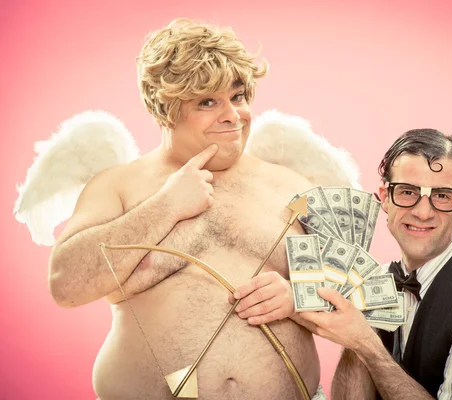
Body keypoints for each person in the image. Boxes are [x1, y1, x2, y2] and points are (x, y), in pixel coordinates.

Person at [47, 18, 329, 400]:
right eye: (208, 102)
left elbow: (353, 300)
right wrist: (164, 206)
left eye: (239, 96)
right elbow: (66, 285)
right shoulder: (118, 185)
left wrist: (299, 299)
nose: (233, 115)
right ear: (165, 109)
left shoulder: (291, 186)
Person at [296, 129, 452, 399]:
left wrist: (367, 344)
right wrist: (354, 336)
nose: (422, 212)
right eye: (407, 192)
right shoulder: (376, 279)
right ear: (385, 198)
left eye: (441, 196)